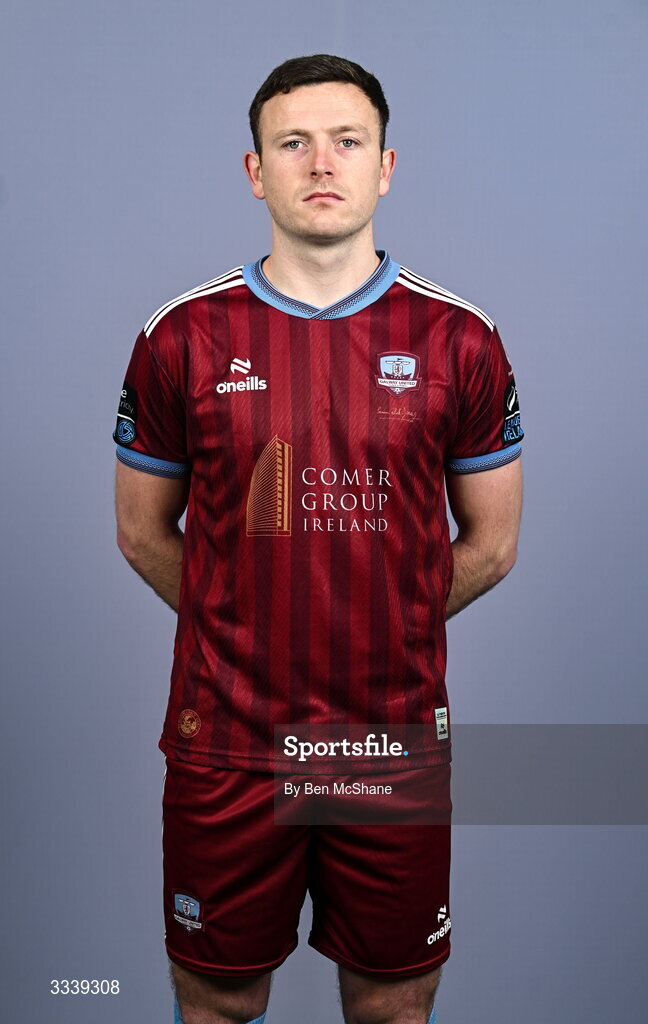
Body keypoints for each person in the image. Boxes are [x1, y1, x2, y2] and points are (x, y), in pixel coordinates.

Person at [113, 53, 523, 1024]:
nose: (321, 163)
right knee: (217, 1003)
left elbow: (494, 543)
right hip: (230, 743)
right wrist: (241, 621)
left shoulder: (461, 340)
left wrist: (391, 625)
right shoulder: (181, 337)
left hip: (391, 744)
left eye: (348, 140)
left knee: (394, 1005)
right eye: (293, 143)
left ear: (387, 166)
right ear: (256, 171)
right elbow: (140, 534)